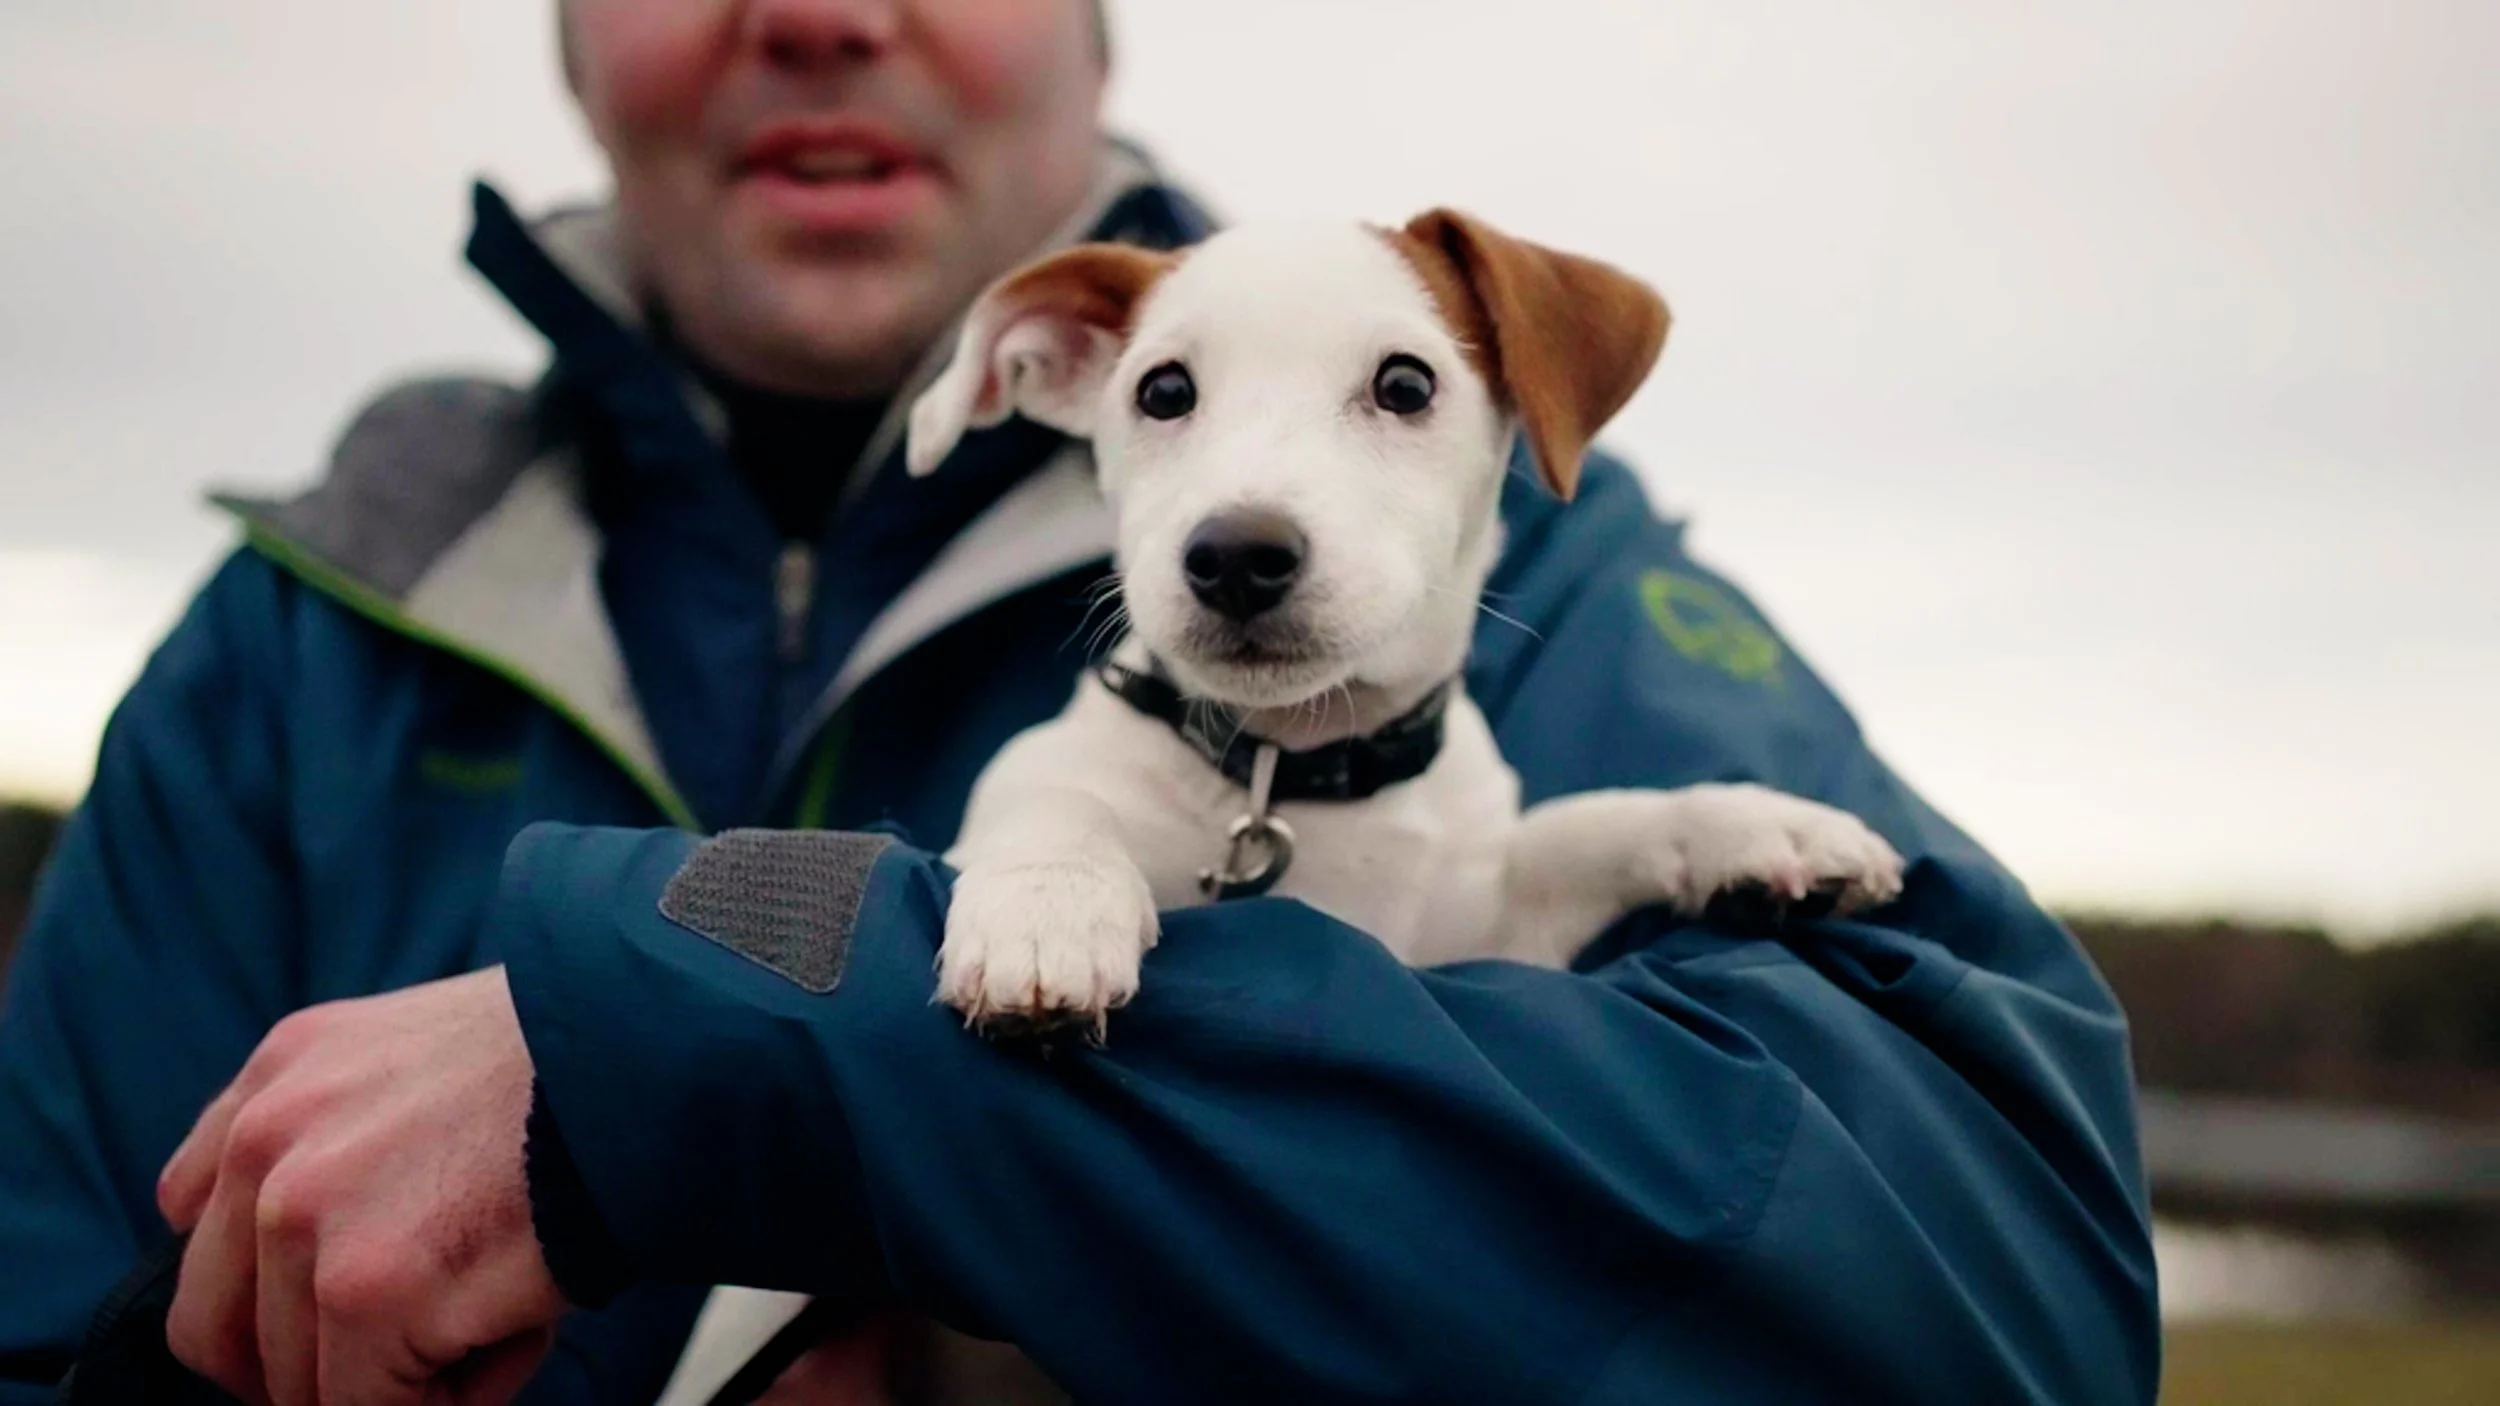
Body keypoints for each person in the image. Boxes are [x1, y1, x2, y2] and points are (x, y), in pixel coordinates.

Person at [0, 2, 2162, 1402]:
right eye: (1178, 399)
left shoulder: (1561, 592)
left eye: (1397, 395)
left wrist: (759, 1061)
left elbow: (2003, 1299)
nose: (818, 10)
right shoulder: (288, 642)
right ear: (1050, 375)